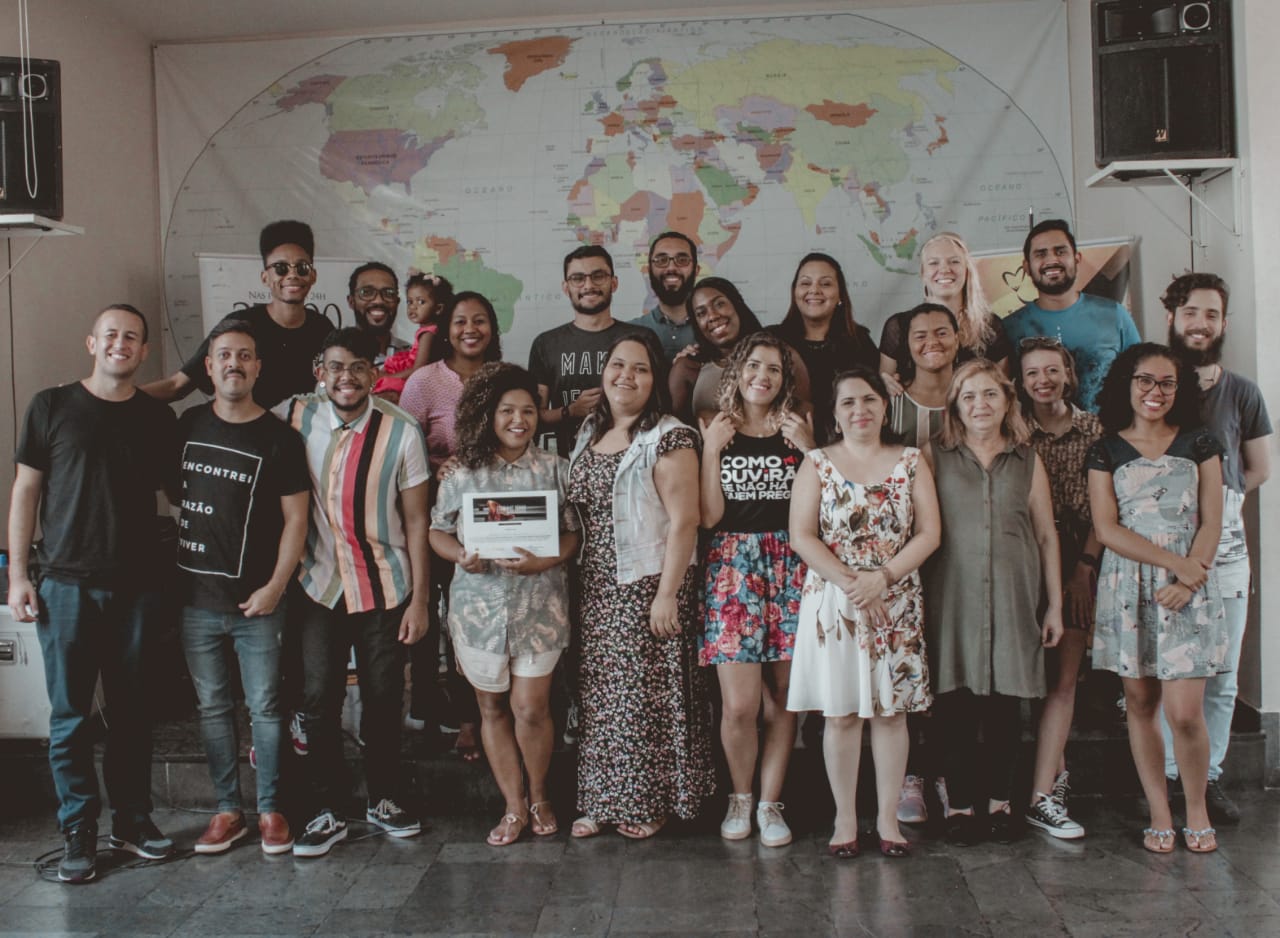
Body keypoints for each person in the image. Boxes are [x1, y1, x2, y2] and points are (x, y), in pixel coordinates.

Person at [7, 304, 178, 883]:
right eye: (111, 335)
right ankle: (79, 828)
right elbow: (26, 492)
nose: (120, 344)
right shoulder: (51, 406)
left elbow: (180, 491)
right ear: (91, 342)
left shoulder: (157, 418)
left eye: (132, 337)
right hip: (66, 585)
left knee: (133, 715)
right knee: (71, 717)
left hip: (137, 589)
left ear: (143, 351)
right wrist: (18, 576)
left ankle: (132, 822)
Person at [275, 328, 431, 858]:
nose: (347, 377)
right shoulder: (294, 416)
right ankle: (325, 808)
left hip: (385, 584)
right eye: (336, 366)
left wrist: (421, 600)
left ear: (374, 372)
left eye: (358, 367)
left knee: (384, 697)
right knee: (318, 699)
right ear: (321, 369)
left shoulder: (402, 432)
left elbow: (416, 522)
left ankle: (383, 798)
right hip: (317, 584)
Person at [787, 367, 941, 859]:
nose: (861, 410)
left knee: (891, 715)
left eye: (870, 400)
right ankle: (846, 820)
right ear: (834, 413)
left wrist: (884, 578)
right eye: (849, 402)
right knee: (843, 715)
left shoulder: (912, 460)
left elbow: (930, 534)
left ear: (885, 406)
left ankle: (889, 821)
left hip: (895, 598)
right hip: (837, 600)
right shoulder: (817, 462)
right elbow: (802, 536)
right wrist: (854, 583)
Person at [566, 331, 713, 839]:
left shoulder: (669, 436)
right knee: (604, 696)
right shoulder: (590, 429)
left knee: (647, 698)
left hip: (649, 583)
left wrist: (667, 594)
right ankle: (602, 798)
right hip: (597, 583)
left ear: (655, 380)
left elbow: (685, 521)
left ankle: (649, 802)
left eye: (640, 368)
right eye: (617, 365)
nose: (625, 376)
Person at [429, 363, 580, 845]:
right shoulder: (461, 472)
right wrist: (461, 556)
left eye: (529, 411)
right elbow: (437, 530)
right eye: (508, 411)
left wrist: (545, 562)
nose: (520, 420)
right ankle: (513, 806)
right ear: (488, 415)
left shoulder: (557, 470)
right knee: (491, 707)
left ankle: (539, 796)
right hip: (478, 611)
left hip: (540, 606)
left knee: (531, 707)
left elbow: (574, 535)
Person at [175, 320, 310, 856]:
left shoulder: (280, 437)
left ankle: (271, 810)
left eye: (245, 355)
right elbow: (173, 494)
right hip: (195, 602)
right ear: (208, 366)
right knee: (211, 707)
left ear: (258, 367)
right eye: (223, 354)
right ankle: (227, 810)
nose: (234, 363)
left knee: (266, 707)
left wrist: (277, 586)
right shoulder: (186, 426)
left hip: (260, 603)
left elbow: (296, 520)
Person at [1089, 343, 1228, 854]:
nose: (1155, 392)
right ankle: (1159, 813)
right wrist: (1174, 565)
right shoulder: (1107, 449)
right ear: (1127, 384)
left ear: (1180, 389)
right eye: (1145, 381)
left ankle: (1197, 809)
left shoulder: (1201, 444)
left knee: (1185, 712)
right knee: (1141, 704)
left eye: (1166, 383)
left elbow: (1213, 520)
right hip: (1131, 586)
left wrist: (1191, 577)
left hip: (1188, 587)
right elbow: (1106, 528)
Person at [925, 359, 1063, 845]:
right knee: (955, 705)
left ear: (1007, 402)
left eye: (989, 395)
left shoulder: (1027, 458)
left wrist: (1055, 606)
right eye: (969, 397)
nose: (979, 405)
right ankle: (960, 805)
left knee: (1008, 706)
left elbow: (1046, 535)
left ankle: (1002, 802)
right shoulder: (932, 455)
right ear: (955, 408)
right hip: (952, 599)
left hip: (1014, 595)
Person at [1159, 273, 1271, 825]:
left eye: (1211, 314)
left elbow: (1260, 469)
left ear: (1223, 323)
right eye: (1190, 313)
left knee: (1222, 676)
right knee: (1168, 670)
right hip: (1162, 546)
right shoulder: (1154, 383)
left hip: (1226, 549)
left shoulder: (1243, 391)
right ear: (1172, 319)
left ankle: (1209, 778)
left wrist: (1217, 499)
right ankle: (1166, 779)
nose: (1200, 323)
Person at [698, 332, 813, 847]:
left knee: (787, 699)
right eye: (753, 366)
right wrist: (709, 452)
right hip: (733, 568)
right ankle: (739, 797)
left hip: (791, 567)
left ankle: (770, 802)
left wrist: (812, 451)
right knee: (741, 706)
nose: (761, 376)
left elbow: (823, 506)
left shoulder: (797, 431)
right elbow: (708, 516)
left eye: (773, 368)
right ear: (737, 373)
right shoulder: (717, 429)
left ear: (785, 379)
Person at [400, 291, 503, 759]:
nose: (470, 329)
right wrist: (436, 465)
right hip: (436, 515)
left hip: (493, 520)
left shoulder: (504, 378)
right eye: (461, 321)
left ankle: (474, 716)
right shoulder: (424, 381)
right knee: (429, 612)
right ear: (447, 329)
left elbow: (516, 433)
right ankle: (428, 708)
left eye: (480, 320)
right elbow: (404, 444)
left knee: (475, 624)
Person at [1018, 338, 1103, 840]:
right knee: (1032, 679)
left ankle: (1044, 794)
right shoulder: (1014, 431)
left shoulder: (1094, 428)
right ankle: (1052, 775)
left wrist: (1084, 568)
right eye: (1032, 373)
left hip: (1079, 555)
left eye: (1052, 370)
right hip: (1024, 558)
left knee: (1063, 681)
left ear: (1068, 374)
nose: (1043, 381)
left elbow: (1104, 505)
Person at [142, 220, 333, 409]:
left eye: (302, 268)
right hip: (247, 435)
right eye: (281, 268)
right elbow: (177, 386)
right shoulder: (241, 325)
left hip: (304, 437)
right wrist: (118, 399)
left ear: (313, 275)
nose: (292, 275)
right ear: (265, 277)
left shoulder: (323, 329)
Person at [1000, 219, 1141, 411]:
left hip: (1109, 437)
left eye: (1060, 251)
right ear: (1026, 267)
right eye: (1041, 254)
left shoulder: (1114, 315)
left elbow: (1141, 379)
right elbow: (1001, 394)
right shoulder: (1010, 328)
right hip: (1037, 438)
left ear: (1077, 258)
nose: (1051, 260)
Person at [529, 245, 645, 456]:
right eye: (578, 278)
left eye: (598, 276)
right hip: (567, 463)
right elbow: (534, 415)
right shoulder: (545, 344)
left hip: (632, 459)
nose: (588, 285)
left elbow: (659, 406)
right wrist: (570, 411)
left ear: (614, 283)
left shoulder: (640, 339)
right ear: (566, 287)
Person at [669, 277, 810, 424]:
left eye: (719, 304)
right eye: (701, 313)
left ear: (737, 305)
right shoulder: (688, 368)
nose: (712, 316)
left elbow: (805, 413)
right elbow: (675, 431)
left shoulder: (783, 356)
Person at [771, 252, 878, 443]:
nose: (814, 290)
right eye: (805, 283)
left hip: (844, 448)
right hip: (782, 446)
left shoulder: (859, 342)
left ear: (840, 295)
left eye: (825, 283)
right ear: (794, 291)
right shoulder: (772, 340)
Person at [879, 232, 1011, 384]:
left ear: (967, 270)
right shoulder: (899, 326)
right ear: (923, 273)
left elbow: (1003, 392)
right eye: (934, 263)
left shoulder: (990, 326)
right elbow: (884, 390)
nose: (944, 269)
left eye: (954, 261)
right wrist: (885, 384)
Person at [888, 302, 960, 449]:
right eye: (920, 336)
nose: (932, 342)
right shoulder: (891, 399)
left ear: (957, 340)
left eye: (941, 333)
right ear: (908, 344)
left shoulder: (975, 397)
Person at [375, 273, 454, 398]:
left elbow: (418, 369)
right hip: (411, 372)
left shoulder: (428, 333)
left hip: (414, 379)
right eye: (409, 302)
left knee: (382, 386)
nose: (413, 307)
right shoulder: (429, 330)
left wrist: (387, 377)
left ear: (438, 308)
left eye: (421, 302)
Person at [628, 231, 699, 362]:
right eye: (661, 260)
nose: (671, 267)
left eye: (682, 260)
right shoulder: (630, 333)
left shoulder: (714, 330)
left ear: (696, 270)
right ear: (649, 270)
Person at [347, 261, 402, 362]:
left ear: (397, 302)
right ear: (351, 301)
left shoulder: (415, 357)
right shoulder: (335, 357)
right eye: (366, 292)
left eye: (388, 293)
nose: (379, 300)